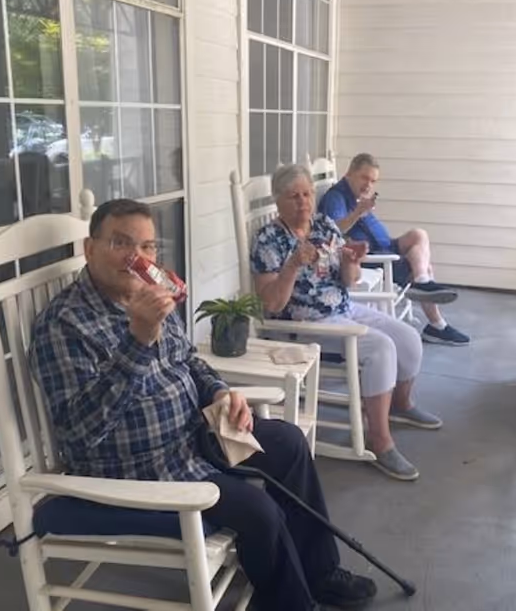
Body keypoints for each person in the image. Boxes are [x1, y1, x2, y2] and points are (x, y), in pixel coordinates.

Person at [28, 199, 376, 611]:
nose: (137, 257)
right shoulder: (63, 324)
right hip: (137, 469)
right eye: (121, 243)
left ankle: (318, 572)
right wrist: (138, 341)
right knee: (259, 511)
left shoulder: (150, 290)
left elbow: (188, 360)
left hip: (195, 433)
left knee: (288, 443)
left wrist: (219, 394)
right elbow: (79, 433)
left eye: (148, 246)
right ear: (90, 249)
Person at [251, 164, 442, 483]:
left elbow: (349, 281)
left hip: (343, 307)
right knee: (381, 348)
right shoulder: (268, 240)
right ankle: (379, 441)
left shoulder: (325, 226)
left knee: (408, 337)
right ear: (278, 201)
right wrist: (293, 265)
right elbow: (272, 303)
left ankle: (400, 404)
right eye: (294, 196)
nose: (303, 202)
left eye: (308, 193)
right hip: (302, 324)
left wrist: (351, 262)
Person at [318, 153, 471, 347]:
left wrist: (361, 209)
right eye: (364, 178)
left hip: (386, 247)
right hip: (375, 258)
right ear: (349, 173)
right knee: (424, 266)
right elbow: (333, 231)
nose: (368, 185)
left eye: (373, 181)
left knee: (419, 235)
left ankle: (422, 283)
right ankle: (436, 323)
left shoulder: (356, 196)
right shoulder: (336, 197)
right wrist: (358, 212)